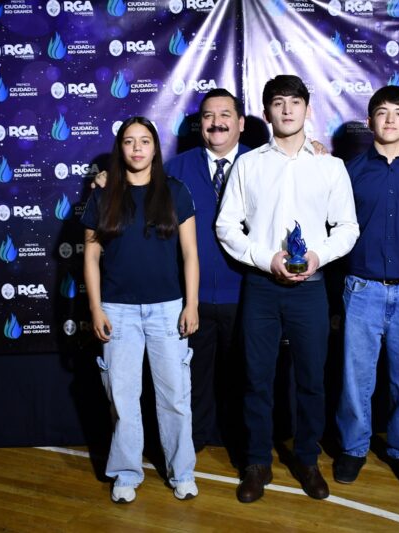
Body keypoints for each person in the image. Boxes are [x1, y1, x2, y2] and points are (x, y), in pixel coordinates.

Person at [216, 75, 359, 503]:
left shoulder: (330, 166)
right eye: (278, 102)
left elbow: (348, 228)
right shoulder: (249, 164)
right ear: (266, 113)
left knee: (312, 380)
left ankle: (308, 460)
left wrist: (317, 256)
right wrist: (266, 258)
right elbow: (226, 225)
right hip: (261, 287)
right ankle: (256, 462)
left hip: (311, 289)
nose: (287, 110)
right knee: (256, 379)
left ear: (307, 109)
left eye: (295, 102)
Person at [81, 116, 200, 504]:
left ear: (155, 148)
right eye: (129, 141)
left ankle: (182, 472)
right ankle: (126, 473)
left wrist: (191, 304)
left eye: (144, 141)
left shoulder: (175, 191)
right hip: (118, 311)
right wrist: (95, 308)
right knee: (123, 398)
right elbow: (91, 256)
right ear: (120, 148)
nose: (137, 148)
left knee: (175, 397)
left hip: (168, 310)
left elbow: (190, 254)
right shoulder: (103, 195)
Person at [333, 86, 399, 488]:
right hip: (362, 290)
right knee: (355, 379)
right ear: (370, 121)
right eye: (382, 112)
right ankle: (352, 449)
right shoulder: (351, 172)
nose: (391, 119)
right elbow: (336, 226)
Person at [164, 89, 249, 452]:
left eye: (225, 114)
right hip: (193, 298)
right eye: (209, 116)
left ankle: (241, 444)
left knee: (244, 376)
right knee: (194, 377)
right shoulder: (175, 169)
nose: (217, 122)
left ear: (240, 123)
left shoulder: (260, 163)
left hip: (246, 294)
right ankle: (194, 442)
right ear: (200, 124)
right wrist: (107, 180)